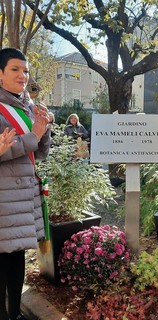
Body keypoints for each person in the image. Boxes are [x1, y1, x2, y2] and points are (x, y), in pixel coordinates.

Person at [0, 48, 51, 320]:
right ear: (0, 74)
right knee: (2, 260)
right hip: (4, 197)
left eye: (26, 70)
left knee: (17, 255)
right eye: (15, 69)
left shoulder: (28, 106)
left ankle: (14, 312)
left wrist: (44, 130)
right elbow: (4, 150)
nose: (23, 75)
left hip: (23, 195)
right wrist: (34, 135)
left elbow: (38, 152)